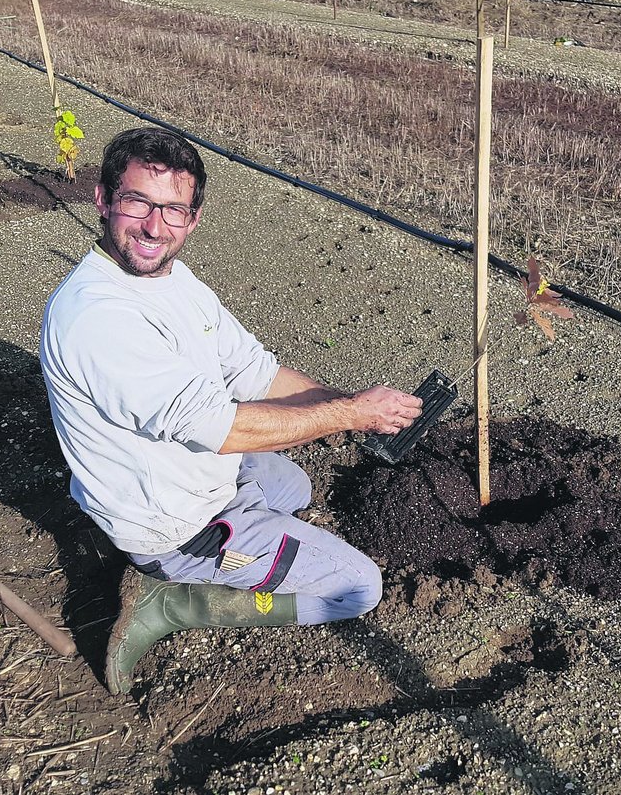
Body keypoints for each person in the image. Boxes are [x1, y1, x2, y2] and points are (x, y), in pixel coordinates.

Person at [39, 127, 422, 695]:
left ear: (193, 219)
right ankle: (172, 600)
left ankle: (249, 545)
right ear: (102, 198)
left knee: (294, 488)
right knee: (357, 589)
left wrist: (346, 404)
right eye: (137, 202)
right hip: (174, 524)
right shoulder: (98, 316)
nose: (153, 226)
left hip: (195, 474)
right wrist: (348, 415)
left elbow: (255, 373)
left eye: (173, 210)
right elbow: (220, 427)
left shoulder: (174, 281)